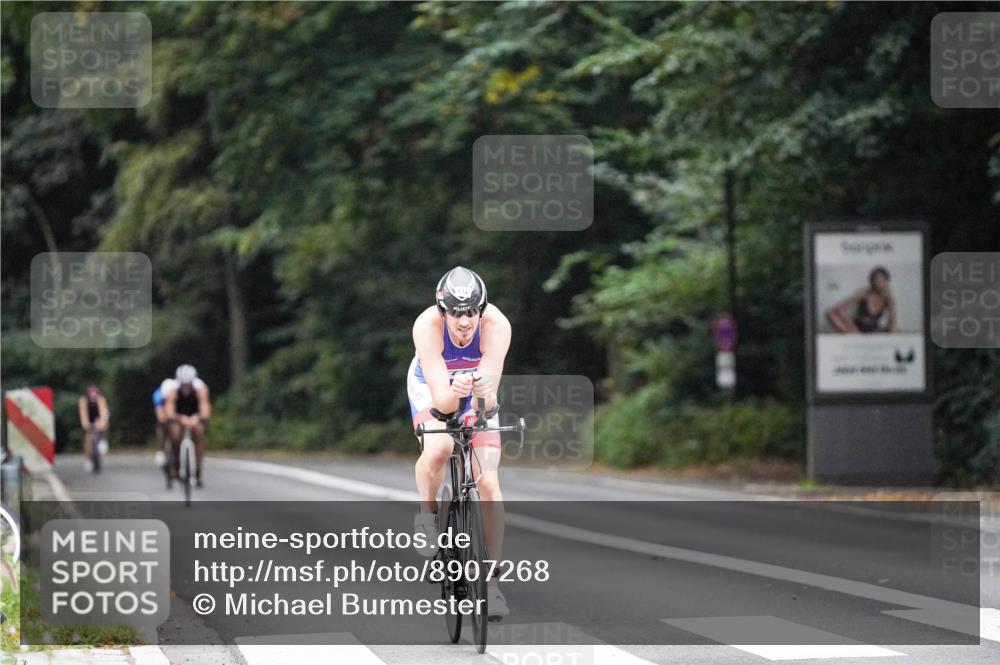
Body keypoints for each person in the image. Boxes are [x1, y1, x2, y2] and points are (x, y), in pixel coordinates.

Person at [407, 266, 512, 619]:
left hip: (476, 391)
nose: (464, 321)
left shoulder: (497, 326)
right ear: (443, 311)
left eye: (471, 312)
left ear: (481, 310)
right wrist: (454, 394)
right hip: (433, 389)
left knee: (489, 482)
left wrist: (483, 397)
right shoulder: (427, 326)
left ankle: (493, 587)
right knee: (440, 447)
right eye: (455, 312)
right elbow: (441, 404)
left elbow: (488, 403)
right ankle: (427, 514)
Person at [165, 364, 211, 487]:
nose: (186, 388)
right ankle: (176, 463)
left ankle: (198, 468)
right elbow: (169, 412)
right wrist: (180, 418)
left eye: (188, 385)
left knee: (199, 431)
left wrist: (198, 417)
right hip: (179, 414)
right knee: (175, 434)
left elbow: (205, 409)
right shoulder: (172, 389)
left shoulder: (200, 388)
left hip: (195, 414)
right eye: (183, 385)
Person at [826, 266, 897, 334]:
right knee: (830, 313)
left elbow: (891, 325)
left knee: (892, 330)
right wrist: (849, 324)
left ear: (887, 281)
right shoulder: (864, 293)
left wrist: (890, 301)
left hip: (874, 331)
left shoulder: (888, 299)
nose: (879, 282)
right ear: (872, 281)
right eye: (876, 279)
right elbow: (837, 308)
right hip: (856, 330)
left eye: (882, 280)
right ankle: (856, 336)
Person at [78, 385, 109, 471]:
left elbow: (103, 413)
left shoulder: (101, 400)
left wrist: (102, 424)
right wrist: (86, 425)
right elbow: (83, 414)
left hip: (98, 418)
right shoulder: (83, 401)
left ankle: (102, 442)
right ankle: (88, 458)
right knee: (88, 437)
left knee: (101, 431)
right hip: (89, 419)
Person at [152, 377, 178, 471]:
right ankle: (160, 450)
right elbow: (159, 413)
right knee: (161, 425)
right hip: (165, 415)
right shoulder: (158, 394)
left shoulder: (178, 393)